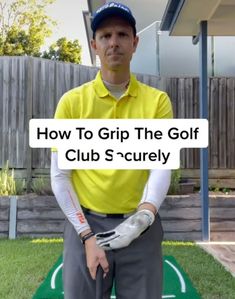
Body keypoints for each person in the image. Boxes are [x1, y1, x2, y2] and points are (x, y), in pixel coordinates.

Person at [51, 2, 173, 299]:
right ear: (94, 45)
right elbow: (60, 175)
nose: (114, 42)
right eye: (105, 35)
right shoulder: (72, 103)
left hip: (141, 227)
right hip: (87, 226)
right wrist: (87, 236)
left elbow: (161, 165)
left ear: (135, 42)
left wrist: (144, 216)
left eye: (122, 34)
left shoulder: (157, 102)